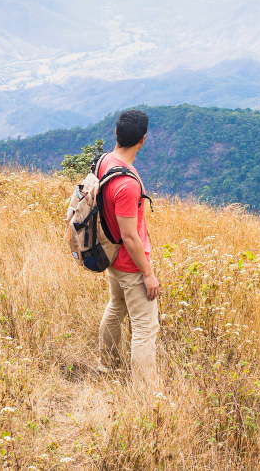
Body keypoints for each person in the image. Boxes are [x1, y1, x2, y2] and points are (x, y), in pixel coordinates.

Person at [97, 109, 160, 385]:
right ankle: (147, 395)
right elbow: (130, 236)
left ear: (116, 133)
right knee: (145, 328)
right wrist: (147, 273)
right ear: (142, 140)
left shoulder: (104, 161)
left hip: (110, 257)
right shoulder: (127, 183)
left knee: (115, 307)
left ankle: (107, 366)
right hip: (129, 264)